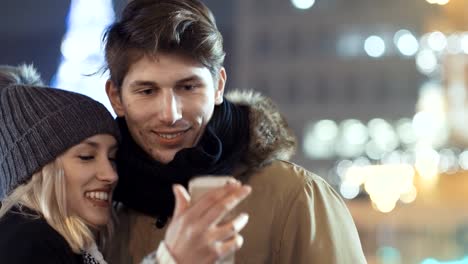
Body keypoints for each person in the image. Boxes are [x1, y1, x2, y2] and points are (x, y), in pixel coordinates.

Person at [103, 0, 367, 263]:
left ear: (218, 86)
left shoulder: (296, 197)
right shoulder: (97, 207)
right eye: (147, 91)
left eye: (188, 87)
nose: (170, 114)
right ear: (116, 97)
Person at [0, 65, 251, 264]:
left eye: (112, 157)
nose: (110, 174)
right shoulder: (28, 241)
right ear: (37, 169)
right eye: (86, 156)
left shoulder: (66, 241)